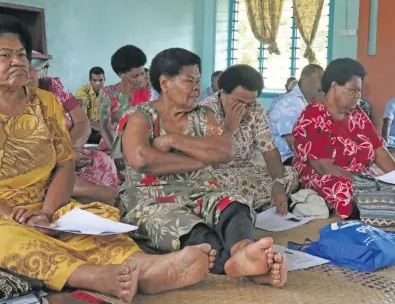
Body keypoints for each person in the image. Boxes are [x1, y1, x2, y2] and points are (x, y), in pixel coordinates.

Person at [0, 14, 220, 303]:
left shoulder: (45, 103)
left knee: (95, 220)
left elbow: (64, 166)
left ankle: (146, 267)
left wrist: (45, 214)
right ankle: (95, 277)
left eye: (21, 54)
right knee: (5, 239)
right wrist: (14, 217)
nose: (18, 61)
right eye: (5, 55)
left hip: (46, 205)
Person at [112, 48, 288, 286]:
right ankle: (243, 265)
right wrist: (199, 159)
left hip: (202, 189)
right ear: (165, 82)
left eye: (198, 81)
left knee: (234, 205)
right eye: (189, 81)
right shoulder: (140, 115)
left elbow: (224, 151)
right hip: (150, 198)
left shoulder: (203, 115)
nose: (196, 87)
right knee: (193, 231)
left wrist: (174, 140)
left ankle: (245, 250)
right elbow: (143, 158)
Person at [292, 58, 395, 219]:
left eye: (359, 91)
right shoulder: (314, 115)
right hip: (327, 177)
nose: (358, 96)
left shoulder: (357, 113)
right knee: (349, 191)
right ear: (334, 87)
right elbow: (324, 167)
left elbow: (378, 149)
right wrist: (367, 183)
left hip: (361, 176)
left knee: (384, 188)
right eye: (353, 90)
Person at [201, 65, 299, 214]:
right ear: (223, 92)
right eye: (238, 101)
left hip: (245, 171)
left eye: (249, 103)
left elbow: (270, 152)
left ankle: (238, 205)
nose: (245, 108)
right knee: (209, 186)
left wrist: (278, 183)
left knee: (290, 174)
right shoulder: (206, 110)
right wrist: (229, 128)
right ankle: (240, 205)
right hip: (216, 174)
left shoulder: (256, 109)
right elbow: (208, 156)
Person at [26, 67, 119, 206]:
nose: (29, 73)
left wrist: (70, 151)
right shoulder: (9, 106)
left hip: (71, 147)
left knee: (102, 160)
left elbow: (82, 122)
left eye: (30, 67)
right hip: (44, 163)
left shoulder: (52, 87)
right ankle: (99, 194)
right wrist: (64, 157)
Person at [97, 45, 150, 152]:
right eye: (135, 76)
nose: (140, 79)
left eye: (142, 74)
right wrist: (116, 153)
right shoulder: (108, 93)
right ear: (121, 75)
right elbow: (105, 127)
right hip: (113, 145)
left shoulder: (147, 92)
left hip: (139, 146)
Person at [268, 64, 324, 165]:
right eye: (320, 79)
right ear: (304, 79)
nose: (323, 84)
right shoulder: (288, 103)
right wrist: (317, 162)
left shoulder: (312, 102)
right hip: (286, 158)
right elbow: (292, 141)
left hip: (307, 154)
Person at [75, 67, 105, 144]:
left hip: (98, 128)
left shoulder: (107, 93)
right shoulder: (82, 93)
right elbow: (81, 121)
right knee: (106, 137)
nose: (98, 83)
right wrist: (102, 129)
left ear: (104, 79)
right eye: (95, 80)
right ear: (90, 80)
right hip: (84, 129)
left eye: (101, 80)